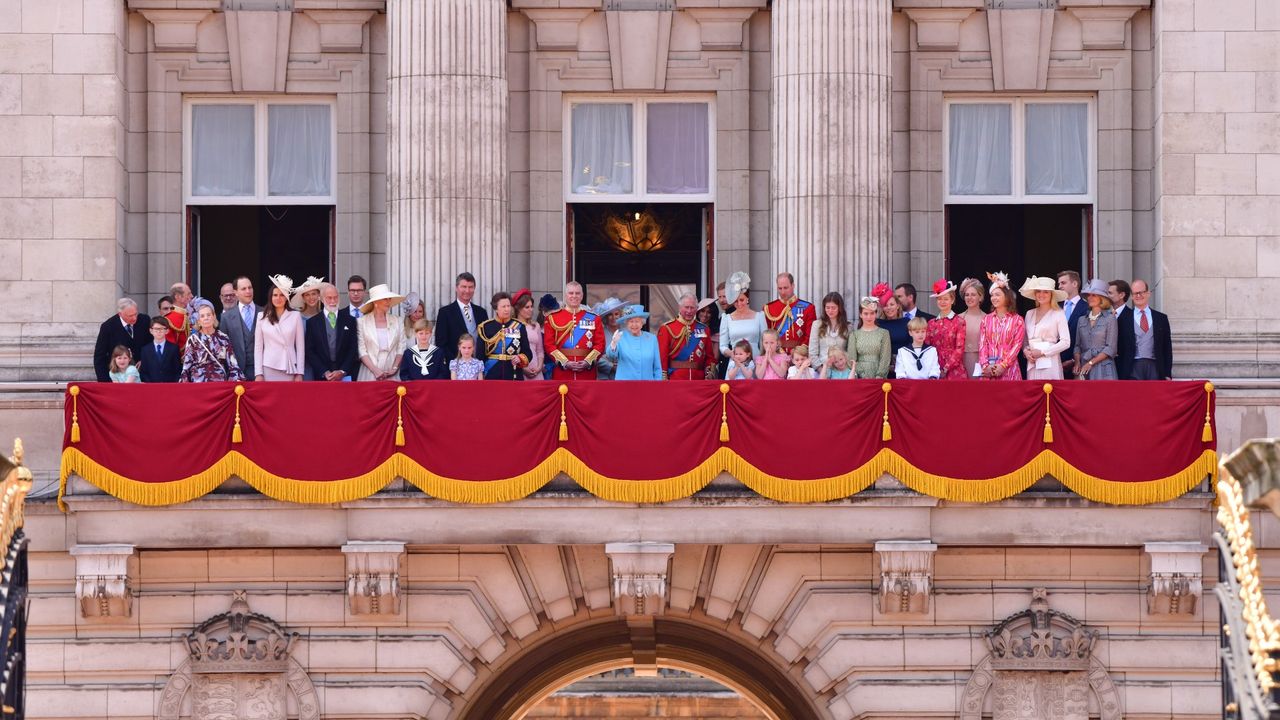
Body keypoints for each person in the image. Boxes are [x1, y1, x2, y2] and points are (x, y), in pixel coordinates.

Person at [544, 281, 605, 381]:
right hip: (563, 373)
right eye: (571, 293)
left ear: (582, 296)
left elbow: (600, 344)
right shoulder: (552, 318)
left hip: (587, 374)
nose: (574, 296)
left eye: (577, 293)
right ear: (565, 295)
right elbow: (549, 345)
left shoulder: (594, 318)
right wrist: (565, 362)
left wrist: (588, 361)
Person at [1117, 279, 1173, 380]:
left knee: (1154, 396)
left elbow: (1167, 348)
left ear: (1148, 293)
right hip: (1131, 368)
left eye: (1141, 292)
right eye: (1135, 293)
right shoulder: (1123, 318)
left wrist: (1167, 373)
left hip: (1155, 367)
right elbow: (1119, 348)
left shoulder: (1161, 318)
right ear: (1131, 296)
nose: (1138, 296)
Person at [254, 275, 307, 382]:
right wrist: (258, 373)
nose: (278, 298)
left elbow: (300, 347)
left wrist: (300, 372)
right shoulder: (262, 316)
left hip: (290, 366)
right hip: (268, 366)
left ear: (287, 297)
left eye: (282, 295)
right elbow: (258, 347)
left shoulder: (295, 316)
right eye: (275, 295)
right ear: (271, 297)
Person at [1019, 276, 1072, 381]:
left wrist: (1043, 352)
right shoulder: (1029, 313)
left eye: (1046, 292)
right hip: (1032, 362)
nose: (1041, 294)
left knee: (1049, 392)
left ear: (1052, 294)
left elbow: (1066, 342)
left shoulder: (1059, 313)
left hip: (1050, 362)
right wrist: (1026, 351)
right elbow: (1024, 339)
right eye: (1038, 291)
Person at [306, 283, 360, 382]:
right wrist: (324, 371)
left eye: (335, 298)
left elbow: (353, 348)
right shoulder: (312, 323)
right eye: (329, 298)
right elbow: (310, 351)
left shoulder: (350, 320)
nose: (333, 301)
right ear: (321, 299)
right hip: (321, 377)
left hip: (345, 377)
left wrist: (343, 371)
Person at [978, 272, 1026, 381]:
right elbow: (982, 345)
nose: (994, 298)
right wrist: (985, 366)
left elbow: (1016, 346)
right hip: (988, 371)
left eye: (998, 294)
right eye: (992, 295)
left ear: (1007, 296)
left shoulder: (1017, 320)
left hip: (1010, 370)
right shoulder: (986, 319)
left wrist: (1003, 365)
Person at [181, 303, 244, 383]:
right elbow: (186, 367)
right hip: (199, 384)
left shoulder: (223, 338)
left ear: (214, 317)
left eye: (208, 315)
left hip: (219, 384)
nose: (206, 318)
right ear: (199, 321)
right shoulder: (193, 339)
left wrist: (232, 383)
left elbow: (233, 364)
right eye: (202, 316)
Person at [658, 294, 716, 380]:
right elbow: (662, 356)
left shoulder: (704, 329)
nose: (689, 311)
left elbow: (710, 357)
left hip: (698, 379)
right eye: (686, 307)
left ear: (696, 309)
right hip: (675, 378)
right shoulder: (667, 328)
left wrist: (709, 373)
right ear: (679, 307)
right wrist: (664, 377)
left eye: (692, 308)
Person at [356, 284, 406, 381]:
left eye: (389, 299)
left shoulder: (398, 321)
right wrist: (375, 370)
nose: (388, 302)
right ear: (375, 302)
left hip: (392, 374)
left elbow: (401, 346)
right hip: (369, 373)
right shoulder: (362, 321)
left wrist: (395, 368)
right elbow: (361, 349)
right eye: (385, 299)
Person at [477, 292, 531, 381]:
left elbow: (527, 352)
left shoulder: (519, 326)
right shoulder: (485, 327)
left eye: (508, 306)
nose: (507, 309)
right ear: (496, 309)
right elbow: (480, 355)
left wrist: (520, 358)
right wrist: (481, 375)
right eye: (503, 307)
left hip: (513, 373)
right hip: (491, 372)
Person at [435, 272, 488, 361]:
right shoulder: (445, 312)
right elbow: (441, 343)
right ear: (456, 288)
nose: (467, 291)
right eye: (464, 287)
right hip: (455, 367)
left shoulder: (481, 312)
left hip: (478, 365)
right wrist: (455, 363)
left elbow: (486, 341)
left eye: (470, 287)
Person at [93, 298, 149, 382]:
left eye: (136, 314)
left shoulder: (145, 320)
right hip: (117, 378)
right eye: (130, 316)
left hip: (143, 376)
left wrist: (144, 359)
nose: (134, 318)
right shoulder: (107, 327)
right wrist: (105, 382)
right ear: (120, 314)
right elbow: (99, 356)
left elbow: (150, 345)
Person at [1074, 279, 1119, 380]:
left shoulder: (1110, 318)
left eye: (1094, 295)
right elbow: (1077, 346)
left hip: (1104, 369)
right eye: (1088, 295)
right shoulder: (1081, 320)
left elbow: (1111, 348)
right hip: (1084, 369)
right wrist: (1077, 362)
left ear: (1102, 298)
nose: (1090, 298)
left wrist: (1091, 363)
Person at [607, 304, 663, 381]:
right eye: (631, 321)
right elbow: (611, 357)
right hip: (625, 385)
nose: (634, 325)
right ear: (627, 323)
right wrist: (613, 343)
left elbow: (657, 367)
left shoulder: (651, 338)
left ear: (642, 323)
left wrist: (657, 385)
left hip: (647, 385)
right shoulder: (620, 337)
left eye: (637, 321)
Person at [763, 272, 817, 351]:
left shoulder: (808, 308)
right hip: (776, 355)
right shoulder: (769, 308)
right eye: (780, 288)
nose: (783, 292)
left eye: (786, 288)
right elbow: (766, 335)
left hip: (800, 357)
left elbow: (810, 336)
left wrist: (799, 352)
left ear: (793, 286)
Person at [221, 275, 261, 381]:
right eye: (243, 289)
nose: (248, 291)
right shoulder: (226, 317)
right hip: (237, 372)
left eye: (250, 287)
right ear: (236, 293)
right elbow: (223, 348)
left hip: (262, 371)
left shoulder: (265, 312)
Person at [719, 272, 766, 357]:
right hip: (735, 361)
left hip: (756, 361)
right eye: (736, 301)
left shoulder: (759, 316)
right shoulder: (727, 318)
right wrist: (730, 353)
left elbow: (765, 342)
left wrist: (763, 361)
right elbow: (722, 345)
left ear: (747, 299)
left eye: (741, 300)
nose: (739, 304)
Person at [925, 280, 965, 380]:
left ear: (952, 300)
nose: (942, 302)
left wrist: (946, 368)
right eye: (939, 299)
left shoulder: (959, 321)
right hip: (934, 368)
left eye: (946, 299)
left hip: (954, 370)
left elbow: (959, 349)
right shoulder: (931, 323)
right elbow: (927, 347)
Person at [289, 275, 324, 380]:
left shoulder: (325, 316)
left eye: (314, 294)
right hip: (304, 365)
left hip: (323, 365)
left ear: (319, 295)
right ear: (303, 298)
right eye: (307, 295)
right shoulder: (296, 317)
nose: (311, 297)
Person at [808, 292, 851, 375]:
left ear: (840, 308)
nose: (830, 311)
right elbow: (812, 352)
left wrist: (843, 369)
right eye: (827, 307)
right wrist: (821, 370)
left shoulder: (848, 327)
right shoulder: (817, 324)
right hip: (821, 370)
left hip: (841, 371)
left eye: (833, 308)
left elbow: (849, 351)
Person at [852, 297, 892, 379]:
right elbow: (852, 359)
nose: (869, 317)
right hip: (859, 378)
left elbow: (885, 357)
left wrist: (879, 375)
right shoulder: (854, 334)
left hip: (879, 378)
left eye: (872, 313)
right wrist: (860, 375)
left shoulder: (884, 333)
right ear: (860, 315)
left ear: (876, 314)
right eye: (866, 313)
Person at [1057, 270, 1087, 376]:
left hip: (1078, 365)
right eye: (1059, 283)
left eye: (1063, 283)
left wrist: (1075, 360)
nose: (1060, 286)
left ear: (1075, 284)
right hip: (1056, 363)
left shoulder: (1087, 308)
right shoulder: (1055, 307)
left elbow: (1087, 339)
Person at [874, 283, 910, 372]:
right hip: (883, 368)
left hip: (904, 366)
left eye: (892, 304)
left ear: (898, 306)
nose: (889, 308)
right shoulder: (878, 324)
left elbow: (912, 345)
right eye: (885, 305)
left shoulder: (907, 322)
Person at [512, 289, 545, 381]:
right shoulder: (512, 326)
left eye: (531, 306)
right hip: (520, 371)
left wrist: (539, 367)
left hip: (536, 370)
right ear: (518, 308)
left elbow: (540, 351)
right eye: (527, 307)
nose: (531, 310)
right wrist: (523, 369)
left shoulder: (536, 325)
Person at [958, 277, 988, 377]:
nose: (969, 298)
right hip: (960, 362)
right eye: (967, 295)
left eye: (973, 295)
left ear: (980, 297)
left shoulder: (987, 319)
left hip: (980, 361)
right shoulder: (958, 318)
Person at [591, 297, 625, 381]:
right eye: (610, 314)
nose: (613, 317)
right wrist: (611, 366)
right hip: (604, 378)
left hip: (625, 376)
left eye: (616, 314)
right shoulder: (600, 333)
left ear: (621, 315)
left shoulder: (627, 332)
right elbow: (594, 355)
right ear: (606, 317)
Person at [139, 316, 180, 383]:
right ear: (151, 330)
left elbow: (177, 370)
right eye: (156, 329)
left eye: (161, 329)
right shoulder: (145, 350)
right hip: (152, 387)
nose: (158, 331)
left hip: (169, 386)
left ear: (167, 331)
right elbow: (144, 372)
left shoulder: (174, 348)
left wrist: (173, 384)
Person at [163, 282, 193, 349]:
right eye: (188, 294)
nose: (191, 296)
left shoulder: (186, 315)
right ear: (178, 297)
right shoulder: (168, 319)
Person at [536, 293, 559, 380]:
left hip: (559, 368)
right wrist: (540, 364)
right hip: (545, 369)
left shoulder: (560, 328)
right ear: (545, 313)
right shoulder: (537, 330)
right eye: (553, 312)